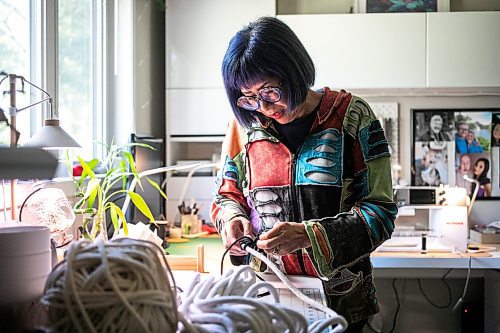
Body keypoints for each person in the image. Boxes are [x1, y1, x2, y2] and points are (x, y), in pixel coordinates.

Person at [210, 16, 398, 332]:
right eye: (248, 96)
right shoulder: (244, 129)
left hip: (342, 302)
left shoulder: (351, 117)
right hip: (269, 299)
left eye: (270, 90)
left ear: (294, 72)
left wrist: (309, 236)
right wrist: (231, 221)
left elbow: (381, 212)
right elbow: (226, 195)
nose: (262, 107)